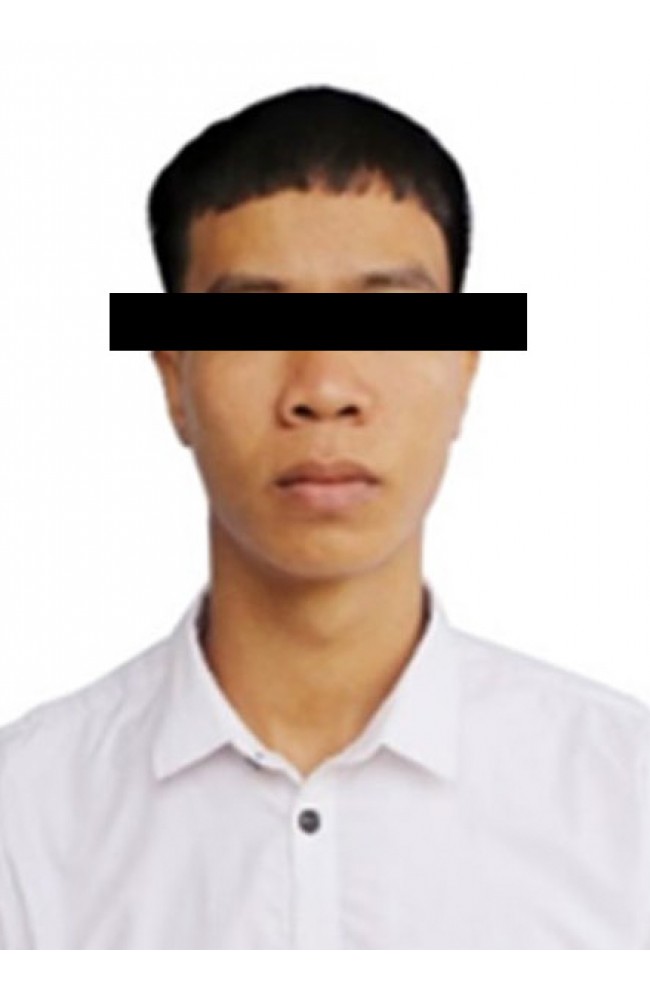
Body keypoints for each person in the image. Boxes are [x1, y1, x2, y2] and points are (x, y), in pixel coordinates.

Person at [1, 86, 649, 950]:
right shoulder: (25, 821)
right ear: (173, 379)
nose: (326, 389)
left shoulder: (626, 805)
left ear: (464, 368)